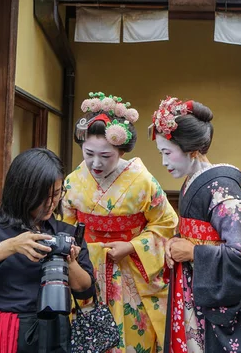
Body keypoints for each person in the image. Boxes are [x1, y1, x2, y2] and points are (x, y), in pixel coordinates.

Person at [150, 97, 241, 353]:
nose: (163, 162)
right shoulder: (193, 182)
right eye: (161, 153)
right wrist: (177, 241)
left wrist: (192, 252)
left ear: (192, 149)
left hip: (226, 299)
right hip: (198, 288)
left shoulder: (223, 189)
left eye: (167, 153)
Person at [62, 92, 178, 353]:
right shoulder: (72, 182)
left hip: (129, 268)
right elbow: (66, 226)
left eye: (105, 156)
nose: (95, 163)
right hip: (85, 266)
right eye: (89, 153)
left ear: (121, 150)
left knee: (135, 338)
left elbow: (166, 223)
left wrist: (134, 246)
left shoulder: (142, 181)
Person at [0, 148, 95, 353]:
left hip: (55, 332)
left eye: (57, 193)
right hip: (5, 330)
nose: (51, 203)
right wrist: (11, 246)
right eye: (43, 196)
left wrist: (70, 262)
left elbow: (86, 291)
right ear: (22, 192)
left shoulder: (65, 233)